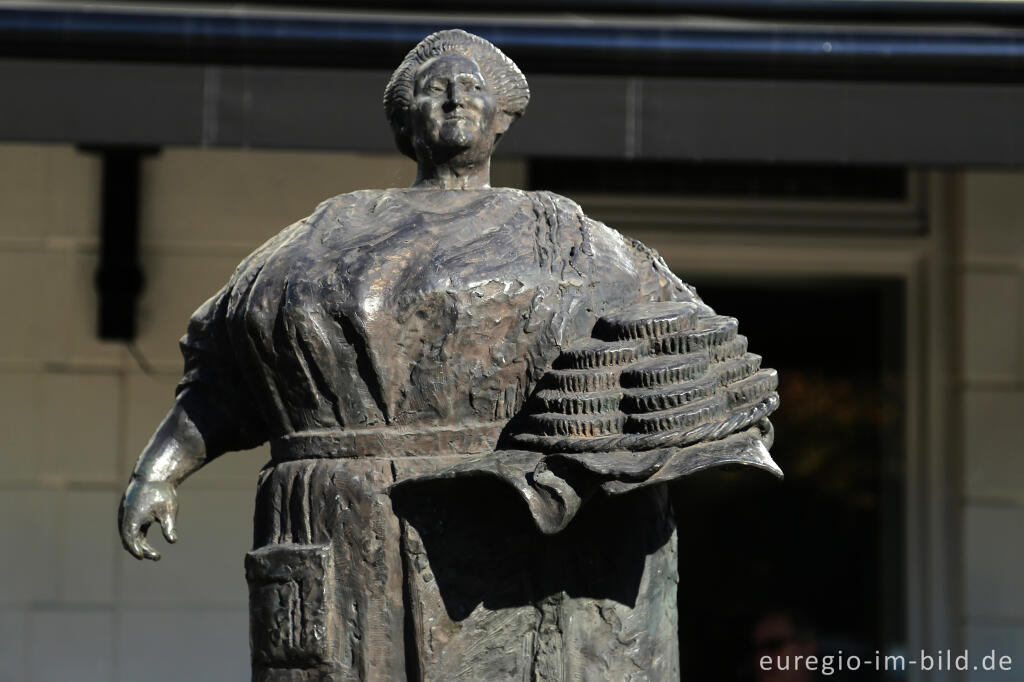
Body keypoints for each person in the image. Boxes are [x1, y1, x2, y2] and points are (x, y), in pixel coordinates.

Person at [118, 29, 779, 680]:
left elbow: (690, 361)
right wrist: (160, 470)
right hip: (347, 531)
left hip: (521, 549)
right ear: (407, 120)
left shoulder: (567, 234)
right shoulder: (325, 234)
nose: (455, 99)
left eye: (472, 89)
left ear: (502, 120)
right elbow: (229, 362)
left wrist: (601, 453)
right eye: (436, 90)